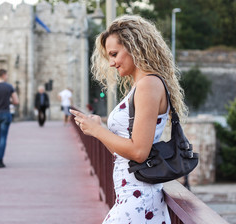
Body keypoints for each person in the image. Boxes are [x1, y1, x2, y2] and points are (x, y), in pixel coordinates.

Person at [71, 15, 188, 224]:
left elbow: (139, 152)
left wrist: (98, 131)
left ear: (134, 46)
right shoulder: (141, 86)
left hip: (139, 200)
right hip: (134, 198)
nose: (112, 62)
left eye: (114, 54)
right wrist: (98, 130)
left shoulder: (148, 85)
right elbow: (125, 156)